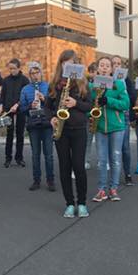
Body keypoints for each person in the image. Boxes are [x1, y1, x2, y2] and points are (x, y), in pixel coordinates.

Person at [47, 50, 93, 218]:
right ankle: (69, 204)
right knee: (64, 168)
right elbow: (47, 106)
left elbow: (89, 106)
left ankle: (82, 203)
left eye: (71, 62)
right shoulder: (54, 83)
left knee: (79, 167)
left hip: (79, 130)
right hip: (62, 131)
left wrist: (75, 103)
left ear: (76, 64)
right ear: (61, 64)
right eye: (65, 62)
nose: (68, 65)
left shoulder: (83, 83)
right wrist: (51, 118)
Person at [91, 57, 130, 203]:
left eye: (107, 66)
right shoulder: (91, 86)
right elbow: (89, 105)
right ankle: (101, 190)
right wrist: (90, 115)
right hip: (100, 126)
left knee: (115, 158)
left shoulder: (118, 84)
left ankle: (113, 189)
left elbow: (126, 104)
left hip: (117, 126)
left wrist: (109, 101)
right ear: (98, 68)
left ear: (112, 69)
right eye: (102, 65)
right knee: (101, 160)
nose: (104, 68)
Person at [20, 61, 56, 191]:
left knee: (49, 155)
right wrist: (31, 106)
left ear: (41, 73)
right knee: (35, 155)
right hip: (33, 125)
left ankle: (50, 181)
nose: (35, 75)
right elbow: (22, 109)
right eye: (32, 73)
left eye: (37, 72)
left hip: (47, 124)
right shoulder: (25, 89)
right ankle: (36, 180)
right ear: (29, 75)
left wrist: (44, 100)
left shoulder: (48, 86)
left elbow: (54, 106)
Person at [0, 58, 27, 168]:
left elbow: (25, 95)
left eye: (14, 68)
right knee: (9, 134)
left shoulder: (24, 80)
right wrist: (1, 106)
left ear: (19, 68)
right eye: (10, 69)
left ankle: (19, 158)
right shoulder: (6, 80)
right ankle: (8, 158)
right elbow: (3, 95)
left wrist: (18, 104)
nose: (12, 71)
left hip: (20, 109)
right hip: (8, 109)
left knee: (20, 134)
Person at [112, 55, 134, 186]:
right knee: (113, 149)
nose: (116, 66)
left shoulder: (127, 80)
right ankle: (114, 175)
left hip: (124, 116)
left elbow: (132, 97)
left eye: (118, 63)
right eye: (114, 63)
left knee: (125, 147)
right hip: (112, 116)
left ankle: (127, 174)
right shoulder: (108, 79)